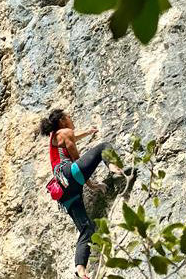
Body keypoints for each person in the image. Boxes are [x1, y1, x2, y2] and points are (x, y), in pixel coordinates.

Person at [40, 109, 123, 279]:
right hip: (70, 174)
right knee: (103, 147)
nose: (71, 119)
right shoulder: (64, 132)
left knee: (86, 229)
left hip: (64, 193)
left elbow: (73, 137)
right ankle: (115, 170)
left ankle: (81, 270)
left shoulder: (56, 138)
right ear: (62, 120)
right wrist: (90, 182)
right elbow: (71, 146)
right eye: (69, 117)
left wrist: (88, 132)